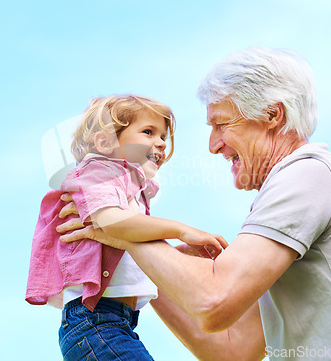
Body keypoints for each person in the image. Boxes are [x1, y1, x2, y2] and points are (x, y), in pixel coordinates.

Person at [58, 48, 331, 360]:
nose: (213, 145)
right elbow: (231, 350)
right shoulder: (296, 197)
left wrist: (121, 224)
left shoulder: (309, 174)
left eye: (221, 124)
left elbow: (213, 302)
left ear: (272, 115)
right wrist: (137, 257)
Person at [25, 94, 227, 360]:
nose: (160, 143)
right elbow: (113, 224)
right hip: (95, 323)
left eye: (163, 136)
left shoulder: (128, 187)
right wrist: (180, 229)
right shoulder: (99, 171)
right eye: (148, 132)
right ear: (105, 141)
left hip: (112, 324)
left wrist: (174, 254)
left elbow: (124, 244)